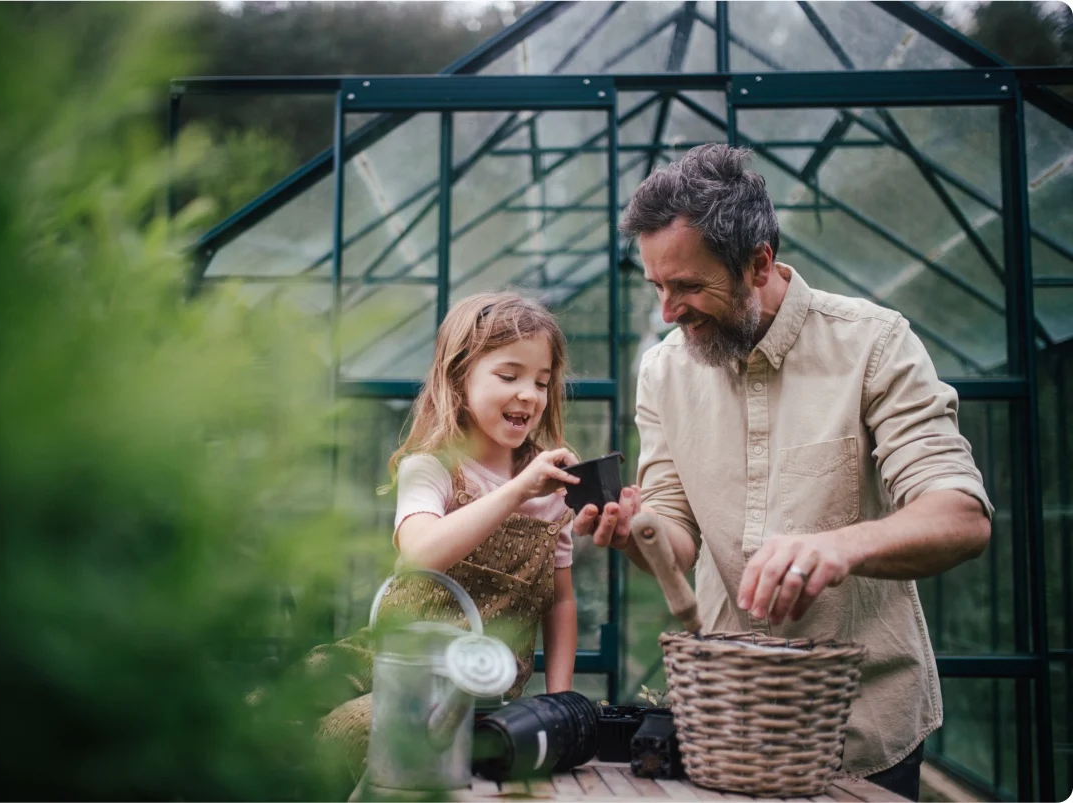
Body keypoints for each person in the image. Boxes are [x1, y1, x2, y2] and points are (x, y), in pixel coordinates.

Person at [573, 144, 993, 802]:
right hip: (724, 723)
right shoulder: (662, 370)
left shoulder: (874, 343)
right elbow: (675, 533)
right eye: (657, 286)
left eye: (688, 286)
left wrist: (839, 546)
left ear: (758, 263)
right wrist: (637, 530)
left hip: (862, 728)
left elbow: (962, 516)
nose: (669, 311)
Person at [311, 291, 582, 781]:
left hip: (471, 690)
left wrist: (559, 703)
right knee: (275, 705)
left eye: (542, 382)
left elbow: (560, 600)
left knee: (357, 729)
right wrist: (519, 490)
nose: (529, 394)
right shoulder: (431, 468)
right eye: (509, 376)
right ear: (459, 378)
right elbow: (419, 553)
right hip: (386, 657)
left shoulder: (552, 490)